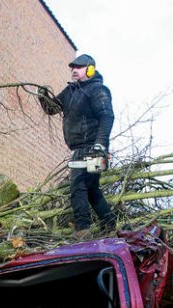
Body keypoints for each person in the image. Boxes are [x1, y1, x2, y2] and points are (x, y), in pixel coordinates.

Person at [38, 54, 116, 234]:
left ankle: (83, 228)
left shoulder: (98, 90)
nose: (74, 70)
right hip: (80, 149)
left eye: (79, 67)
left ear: (90, 69)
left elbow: (107, 116)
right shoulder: (71, 92)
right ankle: (110, 223)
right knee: (91, 189)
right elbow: (52, 108)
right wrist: (43, 96)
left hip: (92, 148)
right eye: (73, 67)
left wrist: (100, 145)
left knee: (78, 186)